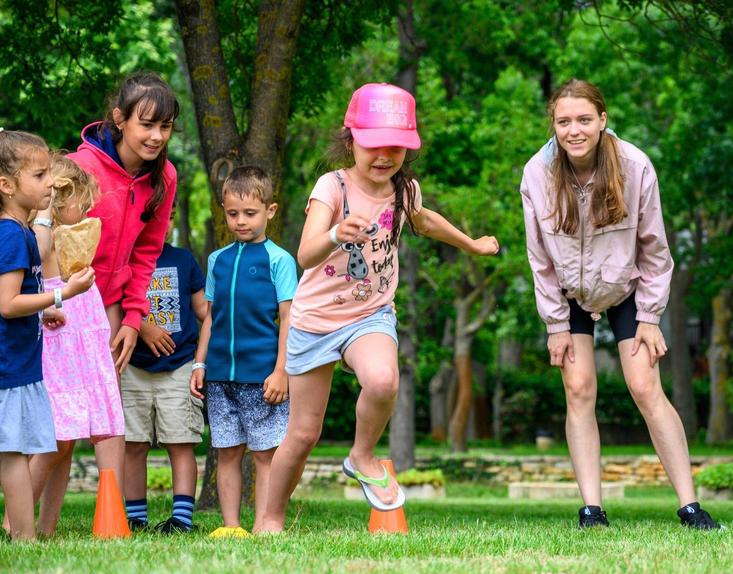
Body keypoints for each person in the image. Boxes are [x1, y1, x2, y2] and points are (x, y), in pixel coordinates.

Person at [261, 83, 499, 532]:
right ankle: (271, 518)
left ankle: (362, 455)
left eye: (396, 147)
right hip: (315, 322)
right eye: (374, 145)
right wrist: (335, 235)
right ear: (351, 139)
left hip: (369, 314)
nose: (385, 156)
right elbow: (305, 254)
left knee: (384, 380)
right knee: (304, 434)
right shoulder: (332, 186)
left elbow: (425, 221)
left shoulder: (404, 190)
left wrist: (470, 244)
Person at [520, 78, 719, 529]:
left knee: (645, 386)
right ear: (552, 124)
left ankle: (691, 506)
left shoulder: (634, 165)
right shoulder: (536, 172)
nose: (575, 130)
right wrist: (555, 323)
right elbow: (539, 257)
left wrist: (649, 317)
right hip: (570, 293)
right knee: (579, 388)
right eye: (564, 121)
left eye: (585, 120)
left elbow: (655, 248)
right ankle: (592, 509)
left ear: (603, 120)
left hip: (627, 287)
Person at [190, 166, 298, 537]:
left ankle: (265, 525)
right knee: (227, 452)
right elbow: (210, 317)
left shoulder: (279, 260)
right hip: (220, 377)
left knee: (266, 455)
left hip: (263, 376)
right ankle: (232, 527)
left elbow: (289, 319)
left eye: (249, 213)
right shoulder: (218, 260)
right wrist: (199, 363)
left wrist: (282, 371)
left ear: (270, 210)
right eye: (232, 213)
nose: (240, 221)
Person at [21, 155, 125, 537]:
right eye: (81, 200)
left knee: (65, 446)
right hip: (60, 337)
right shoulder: (40, 234)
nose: (86, 209)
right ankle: (16, 521)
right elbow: (43, 245)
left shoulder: (72, 239)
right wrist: (46, 209)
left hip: (84, 331)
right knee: (54, 440)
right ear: (59, 199)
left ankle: (46, 527)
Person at [0, 131, 94, 541]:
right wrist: (64, 293)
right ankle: (23, 536)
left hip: (20, 365)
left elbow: (20, 298)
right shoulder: (9, 234)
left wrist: (46, 309)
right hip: (9, 369)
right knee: (14, 454)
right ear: (6, 185)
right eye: (39, 175)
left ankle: (22, 534)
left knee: (17, 452)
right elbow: (6, 304)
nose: (49, 184)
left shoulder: (18, 232)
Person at [68, 72, 180, 376]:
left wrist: (133, 318)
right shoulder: (82, 168)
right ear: (120, 119)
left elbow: (146, 253)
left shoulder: (165, 176)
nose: (157, 136)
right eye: (147, 125)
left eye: (165, 126)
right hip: (67, 301)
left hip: (112, 305)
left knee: (108, 411)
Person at [121, 209, 208, 533]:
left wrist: (200, 361)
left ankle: (182, 519)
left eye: (167, 217)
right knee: (134, 444)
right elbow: (113, 307)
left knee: (180, 441)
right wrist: (142, 327)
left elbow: (205, 313)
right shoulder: (124, 261)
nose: (159, 224)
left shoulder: (184, 260)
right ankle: (135, 518)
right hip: (134, 367)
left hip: (179, 366)